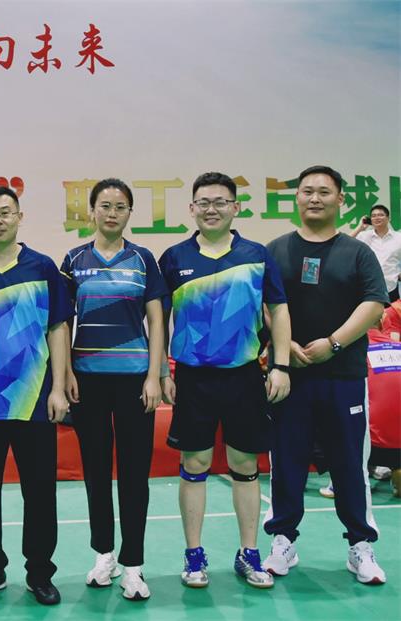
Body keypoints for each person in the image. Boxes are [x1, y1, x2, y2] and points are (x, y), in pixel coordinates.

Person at [158, 171, 291, 589]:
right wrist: (161, 370)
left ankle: (249, 553)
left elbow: (279, 310)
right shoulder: (174, 257)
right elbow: (158, 319)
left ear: (235, 208)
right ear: (192, 208)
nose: (211, 209)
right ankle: (194, 554)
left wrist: (281, 365)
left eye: (220, 202)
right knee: (194, 464)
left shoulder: (256, 255)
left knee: (244, 464)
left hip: (244, 376)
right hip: (192, 378)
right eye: (203, 202)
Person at [263, 165, 389, 585]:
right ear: (297, 198)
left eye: (323, 192)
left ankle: (361, 545)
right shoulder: (276, 250)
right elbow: (263, 306)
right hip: (289, 378)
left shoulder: (357, 253)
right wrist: (284, 348)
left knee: (350, 464)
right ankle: (283, 539)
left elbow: (374, 303)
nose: (314, 198)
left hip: (344, 377)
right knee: (286, 462)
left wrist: (333, 343)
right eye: (307, 191)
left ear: (341, 200)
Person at [0, 186, 71, 606]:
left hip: (33, 397)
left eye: (5, 212)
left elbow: (58, 328)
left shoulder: (42, 267)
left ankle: (39, 572)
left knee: (39, 492)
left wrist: (58, 387)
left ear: (20, 217)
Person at [61, 178, 166, 600]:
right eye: (104, 206)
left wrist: (154, 375)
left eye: (120, 207)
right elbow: (63, 322)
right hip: (87, 380)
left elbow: (156, 320)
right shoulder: (74, 259)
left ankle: (134, 565)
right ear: (92, 211)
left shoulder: (143, 259)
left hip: (134, 380)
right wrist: (65, 373)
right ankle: (104, 553)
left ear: (129, 213)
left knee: (135, 474)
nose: (111, 213)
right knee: (96, 470)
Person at [349, 204, 401, 302]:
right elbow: (343, 244)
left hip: (391, 288)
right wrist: (360, 227)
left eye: (381, 215)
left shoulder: (398, 238)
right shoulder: (363, 236)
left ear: (388, 218)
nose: (377, 218)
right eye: (373, 216)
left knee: (392, 312)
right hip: (368, 288)